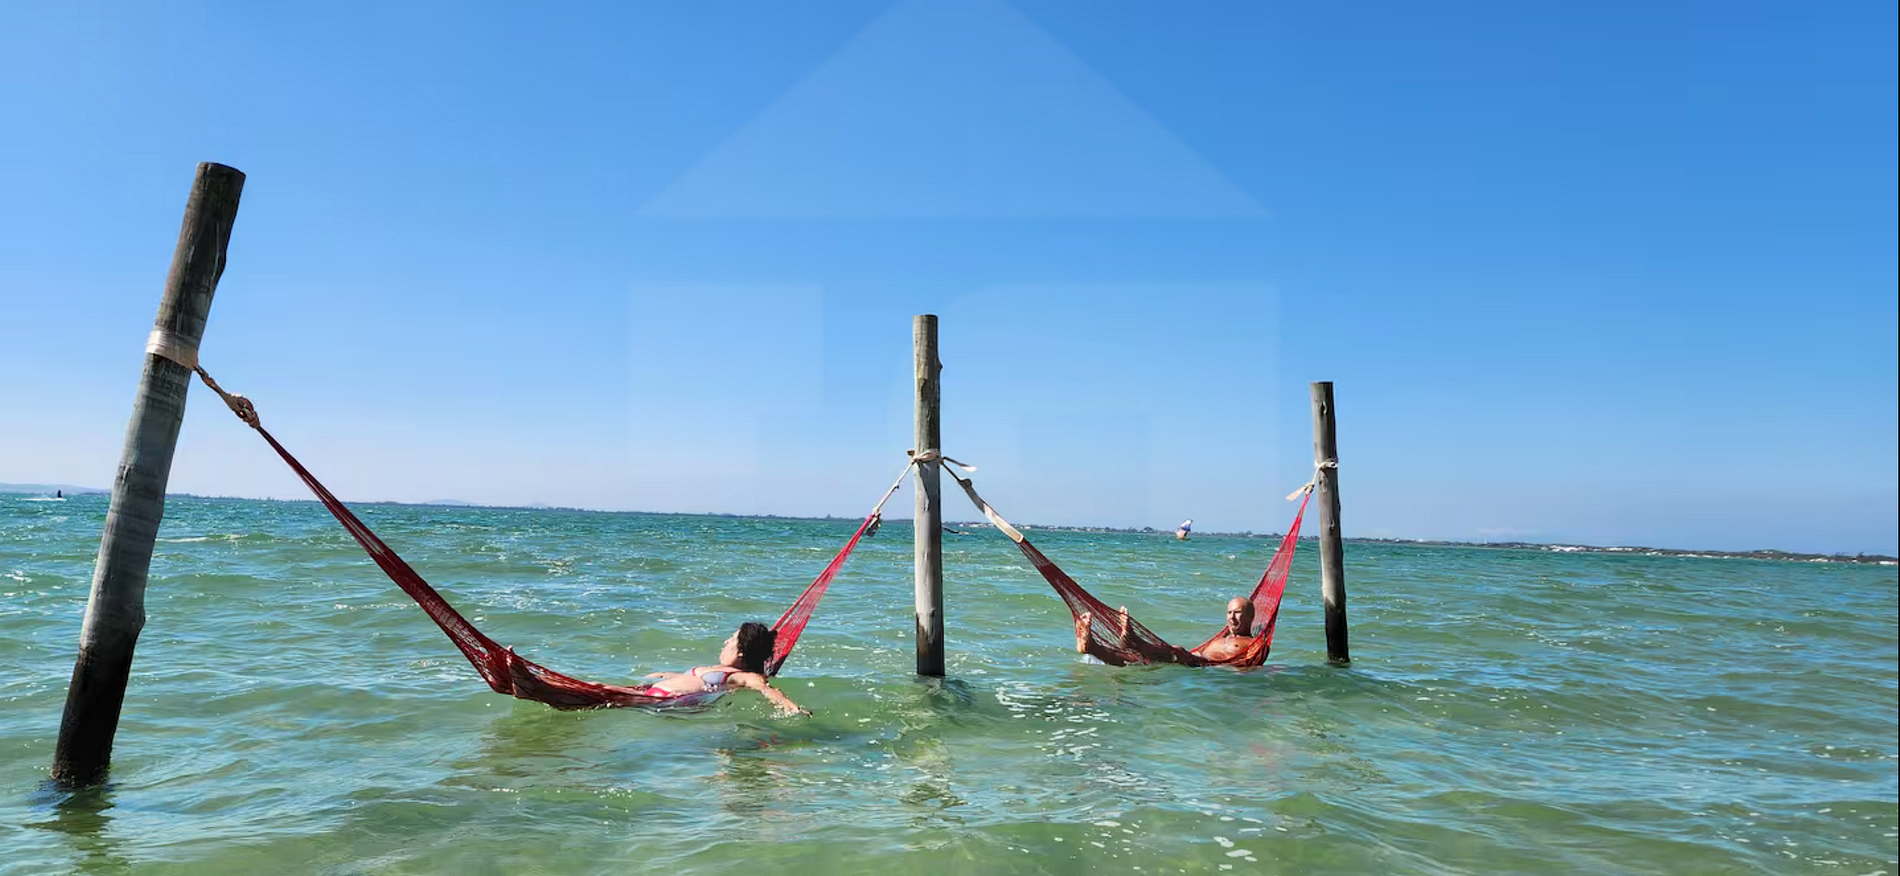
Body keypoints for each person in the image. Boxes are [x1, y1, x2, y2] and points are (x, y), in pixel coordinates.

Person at [641, 621, 811, 715]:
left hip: (671, 701)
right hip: (655, 695)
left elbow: (765, 688)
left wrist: (791, 707)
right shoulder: (718, 670)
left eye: (732, 639)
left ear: (741, 652)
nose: (725, 642)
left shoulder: (744, 676)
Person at [1074, 596, 1257, 664]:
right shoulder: (1221, 638)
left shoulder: (1253, 643)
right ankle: (1091, 647)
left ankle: (1133, 640)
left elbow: (1251, 663)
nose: (1231, 617)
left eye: (1237, 613)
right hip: (1195, 660)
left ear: (1250, 617)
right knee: (1133, 659)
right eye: (1229, 612)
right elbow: (1198, 652)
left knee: (1176, 650)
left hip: (1208, 666)